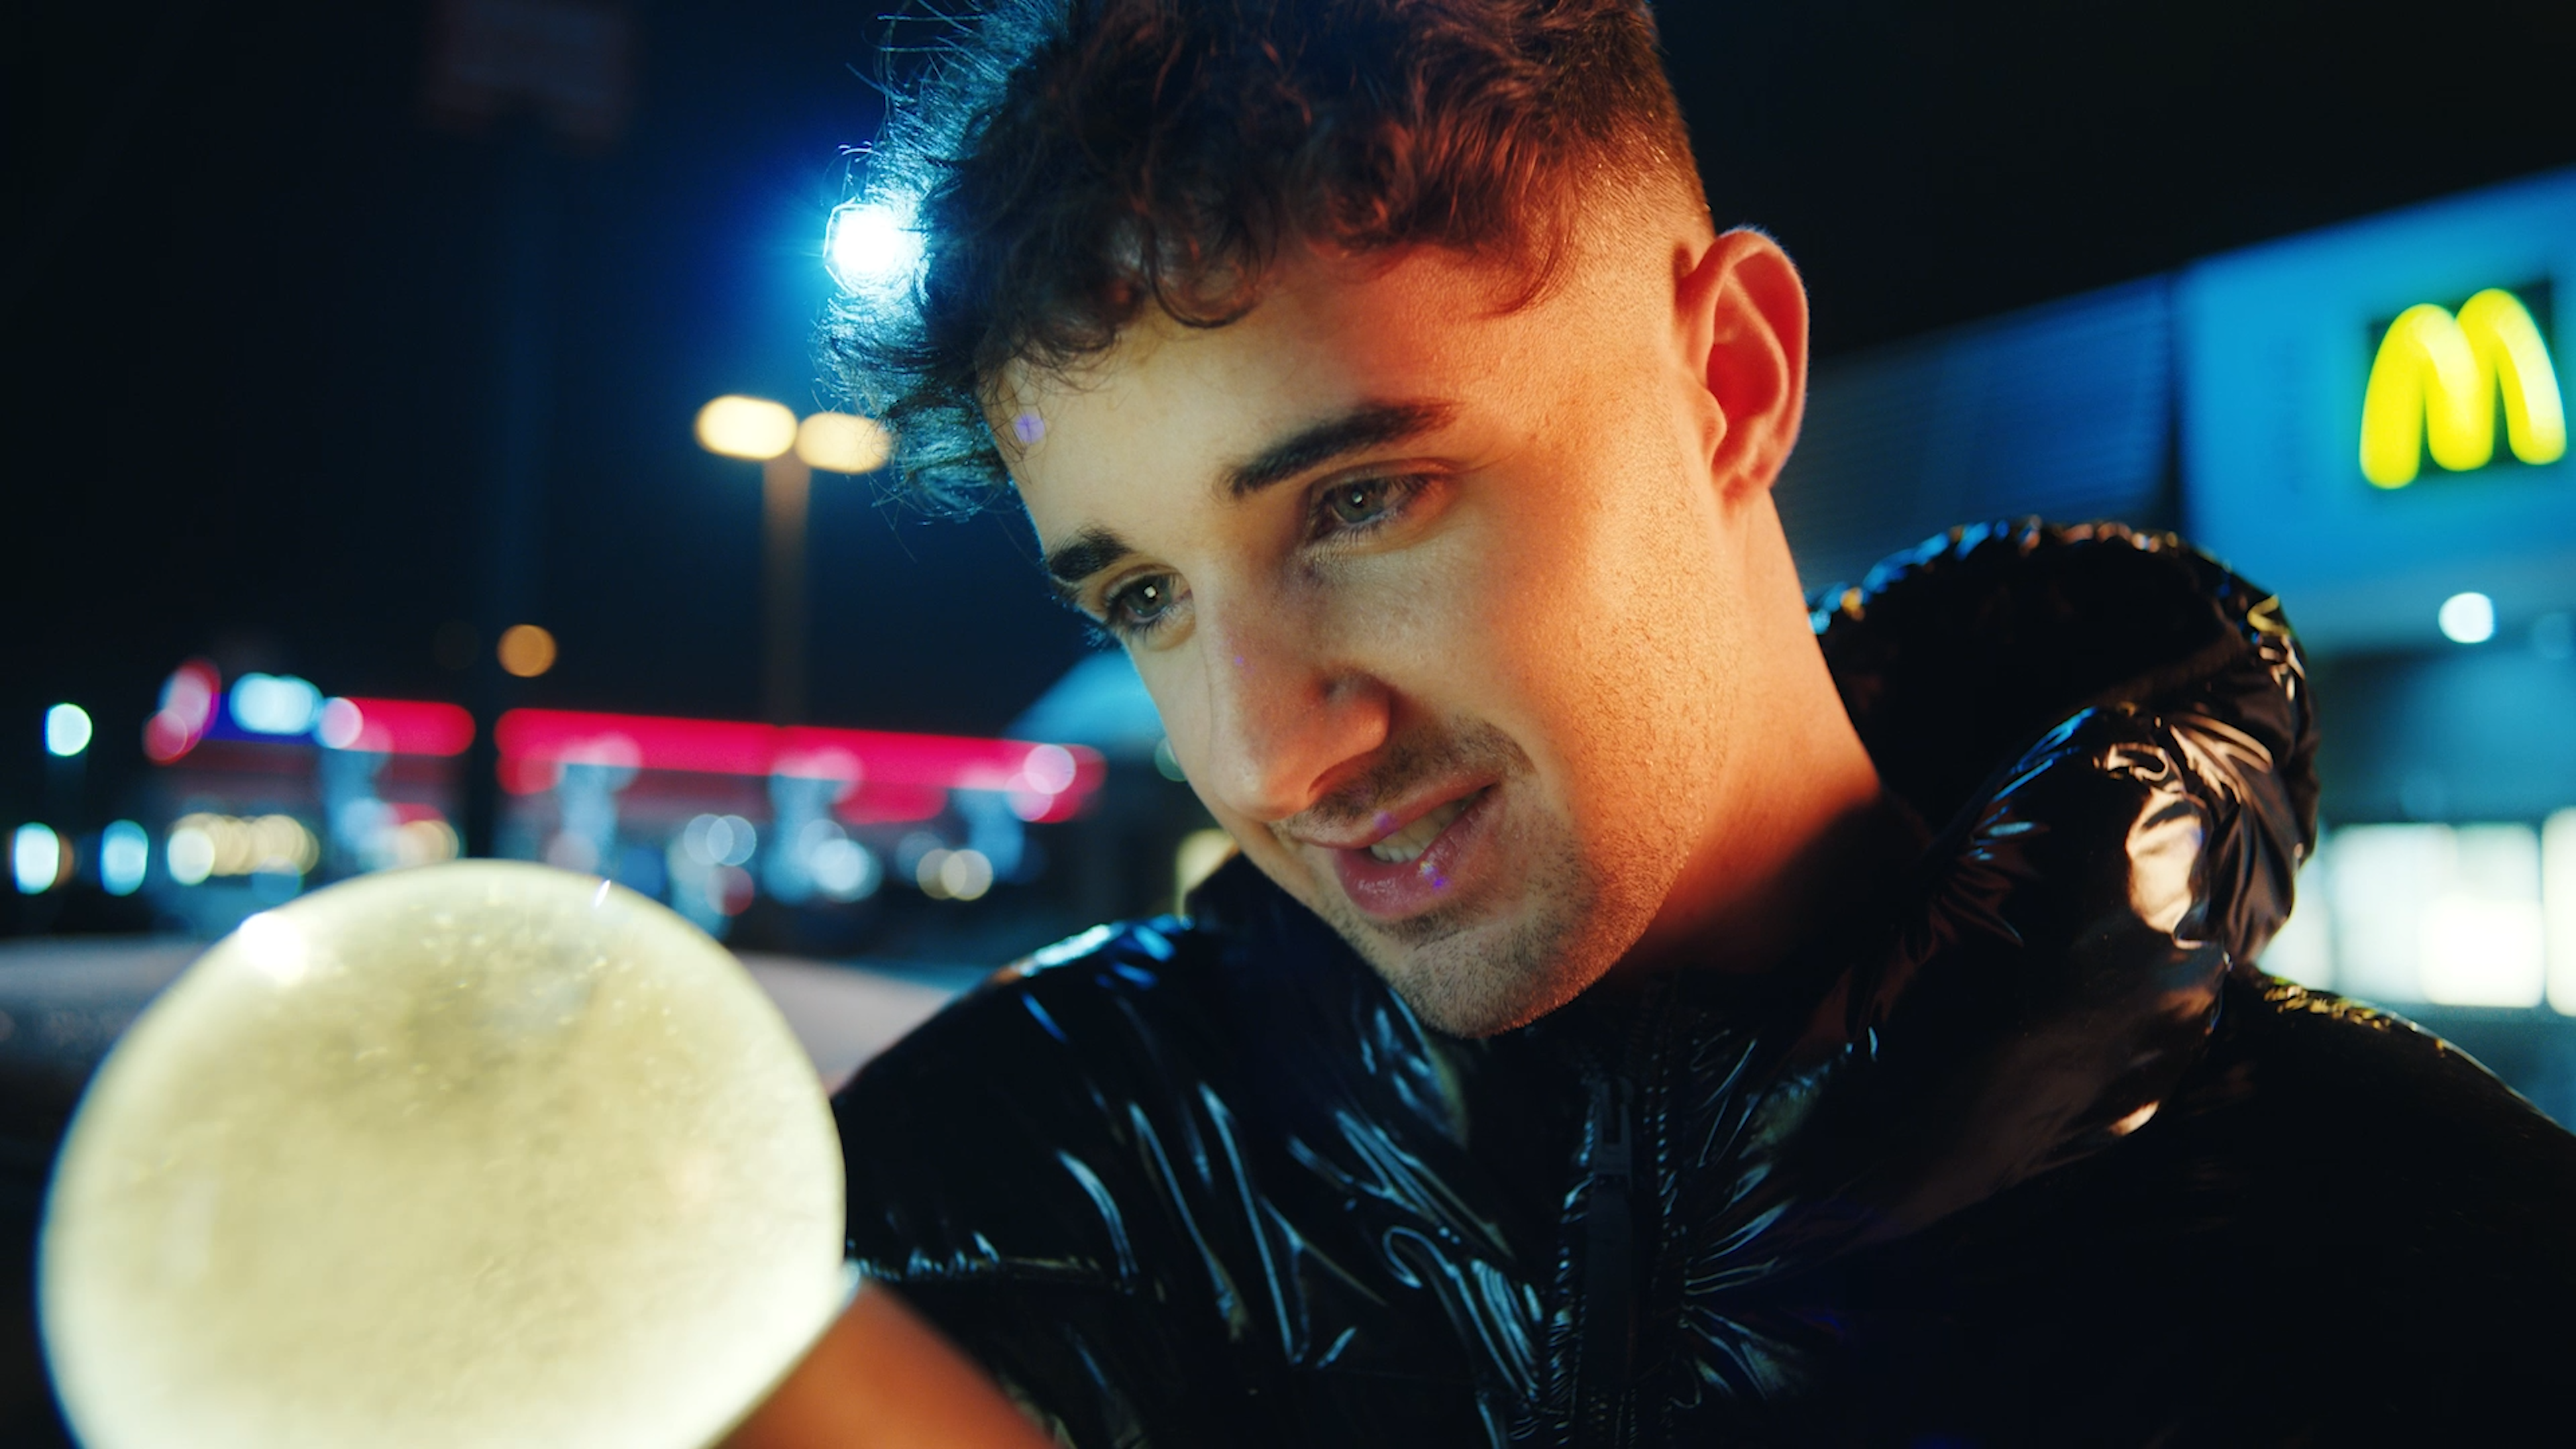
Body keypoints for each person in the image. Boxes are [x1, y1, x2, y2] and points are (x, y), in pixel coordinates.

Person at [733, 1, 2576, 1443]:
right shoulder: (1017, 1194)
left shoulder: (2427, 1271)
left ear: (1731, 380)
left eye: (1363, 502)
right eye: (1144, 597)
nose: (1265, 758)